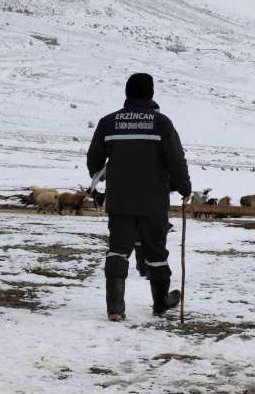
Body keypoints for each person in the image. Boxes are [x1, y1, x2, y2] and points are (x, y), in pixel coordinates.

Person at [87, 73, 191, 321]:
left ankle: (115, 309)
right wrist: (184, 186)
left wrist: (101, 176)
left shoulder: (108, 123)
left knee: (118, 251)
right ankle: (160, 303)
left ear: (127, 93)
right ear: (151, 93)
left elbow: (94, 160)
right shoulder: (161, 123)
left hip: (119, 201)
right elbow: (175, 159)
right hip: (153, 203)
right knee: (156, 254)